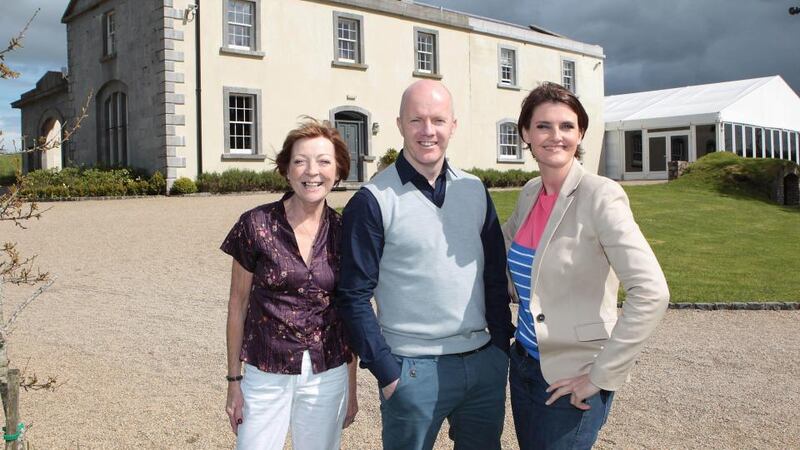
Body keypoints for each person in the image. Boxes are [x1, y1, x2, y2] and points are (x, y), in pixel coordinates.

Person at [336, 80, 515, 450]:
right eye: (416, 120)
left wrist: (499, 349)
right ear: (400, 125)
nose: (428, 131)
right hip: (413, 369)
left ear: (453, 125)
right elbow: (353, 295)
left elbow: (494, 277)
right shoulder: (373, 200)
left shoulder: (475, 190)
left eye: (438, 120)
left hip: (483, 365)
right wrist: (387, 372)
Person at [502, 82, 670, 450]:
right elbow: (501, 253)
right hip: (526, 365)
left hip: (574, 376)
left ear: (580, 134)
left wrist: (600, 376)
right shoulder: (531, 192)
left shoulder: (601, 196)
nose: (555, 136)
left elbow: (652, 292)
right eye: (543, 126)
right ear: (526, 134)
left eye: (567, 126)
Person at [221, 119, 358, 450]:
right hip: (265, 372)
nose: (312, 171)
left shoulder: (345, 232)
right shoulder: (255, 224)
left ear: (338, 171)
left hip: (327, 373)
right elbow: (237, 305)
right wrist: (233, 381)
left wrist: (351, 389)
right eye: (301, 161)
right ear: (286, 169)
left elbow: (349, 312)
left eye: (324, 161)